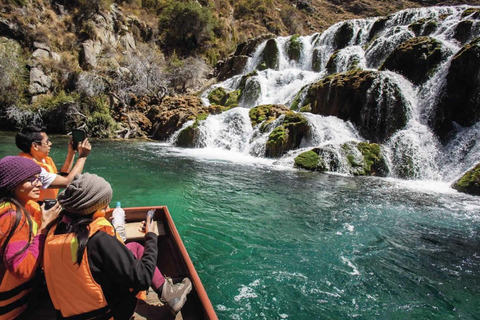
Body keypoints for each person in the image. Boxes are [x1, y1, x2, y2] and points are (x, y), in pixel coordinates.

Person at [43, 173, 192, 319]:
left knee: (134, 246)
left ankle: (167, 292)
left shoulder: (54, 230)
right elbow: (143, 278)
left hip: (69, 313)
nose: (108, 208)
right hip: (109, 313)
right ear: (90, 209)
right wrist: (150, 236)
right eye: (103, 206)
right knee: (140, 261)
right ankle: (169, 294)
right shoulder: (98, 241)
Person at [0, 156, 61, 320]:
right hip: (13, 312)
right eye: (30, 180)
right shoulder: (12, 217)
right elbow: (23, 270)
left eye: (38, 178)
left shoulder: (16, 206)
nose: (39, 184)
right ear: (12, 183)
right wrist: (44, 227)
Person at [15, 126, 91, 202]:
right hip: (36, 210)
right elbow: (67, 182)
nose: (50, 144)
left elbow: (63, 176)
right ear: (35, 146)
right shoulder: (30, 168)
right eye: (47, 141)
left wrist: (71, 153)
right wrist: (82, 157)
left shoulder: (44, 159)